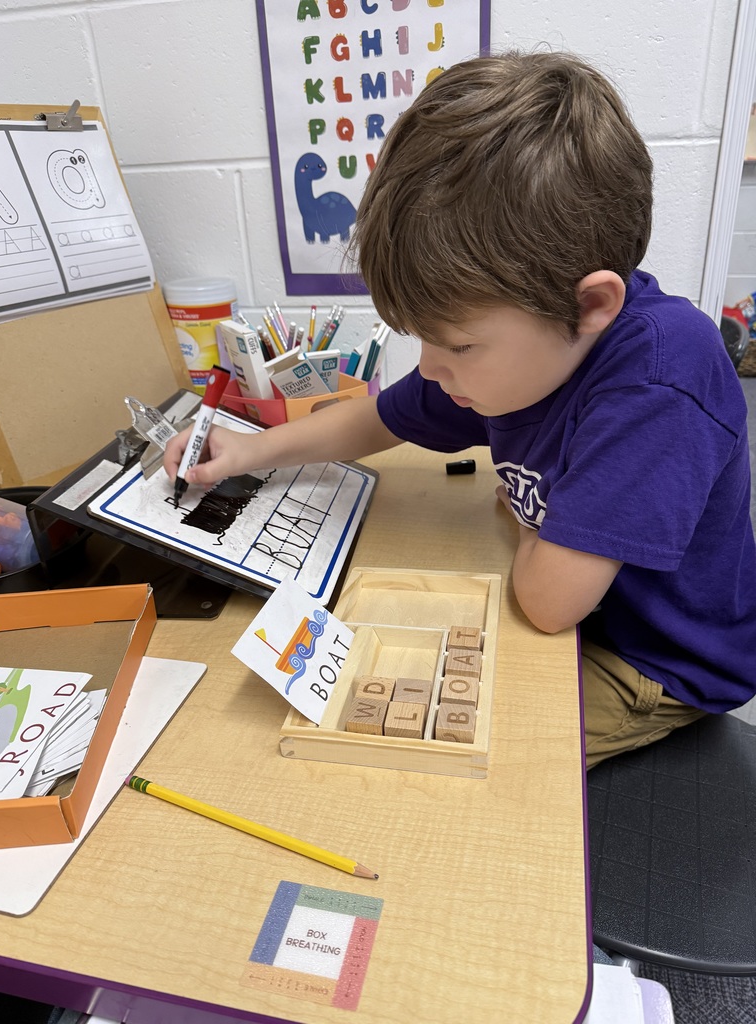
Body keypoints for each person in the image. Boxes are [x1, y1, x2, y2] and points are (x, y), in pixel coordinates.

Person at [165, 49, 756, 768]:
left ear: (590, 305)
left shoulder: (663, 380)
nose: (433, 369)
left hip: (654, 663)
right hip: (581, 606)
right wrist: (248, 448)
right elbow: (377, 416)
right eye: (423, 340)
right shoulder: (518, 355)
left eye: (458, 346)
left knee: (440, 751)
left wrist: (525, 522)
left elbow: (548, 602)